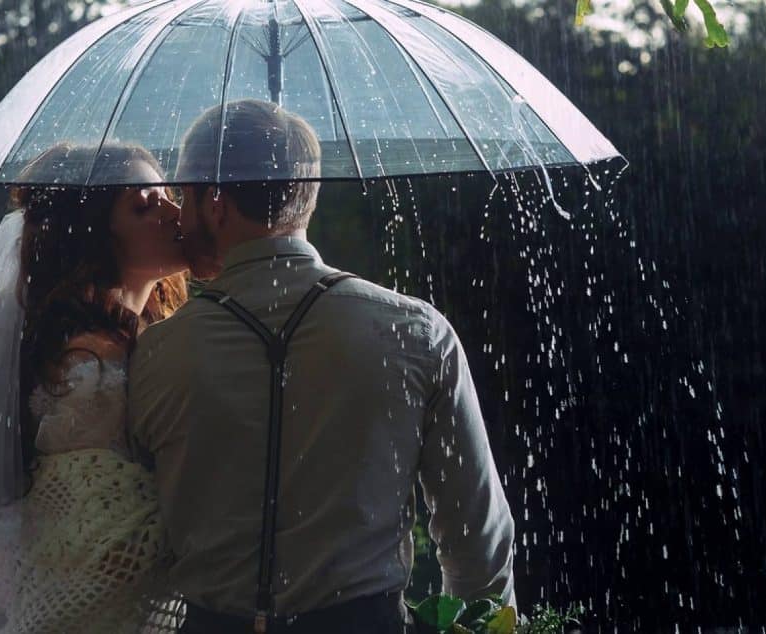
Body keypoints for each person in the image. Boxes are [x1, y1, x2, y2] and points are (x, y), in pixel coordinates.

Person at [129, 99, 517, 634]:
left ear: (215, 203)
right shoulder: (416, 332)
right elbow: (476, 534)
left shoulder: (157, 352)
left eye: (183, 194)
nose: (177, 210)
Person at [0, 143, 188, 633]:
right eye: (143, 205)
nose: (175, 212)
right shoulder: (73, 358)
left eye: (169, 196)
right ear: (95, 235)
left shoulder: (165, 334)